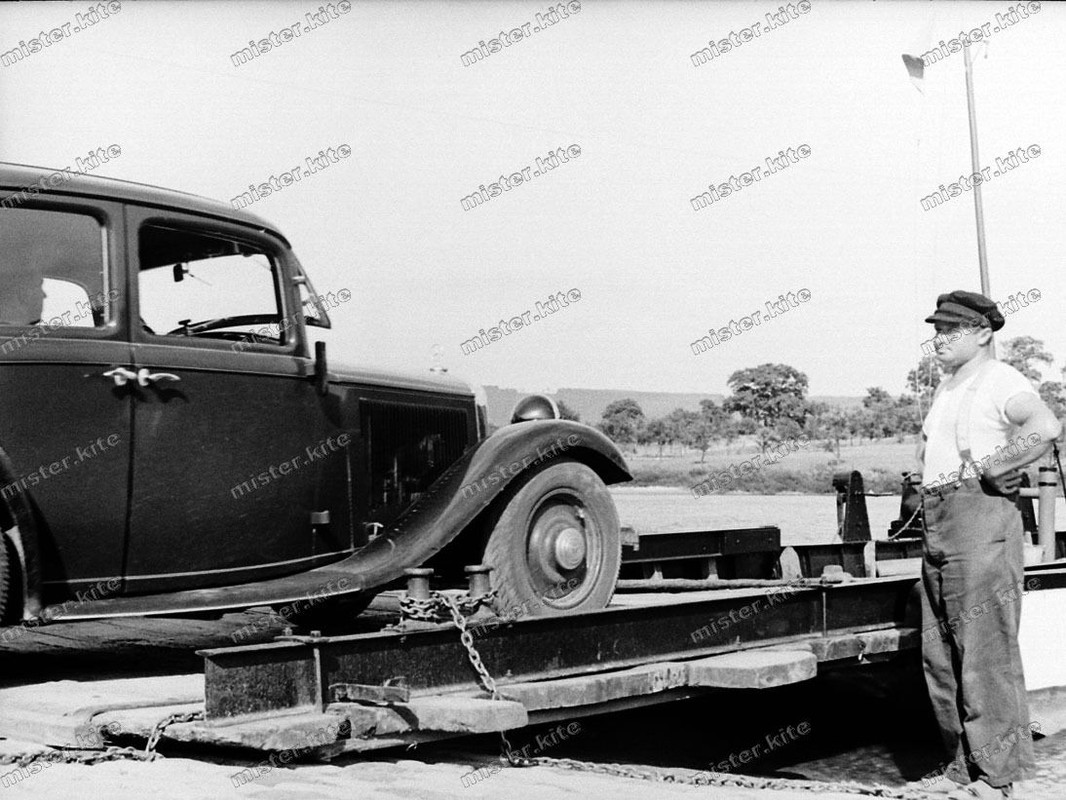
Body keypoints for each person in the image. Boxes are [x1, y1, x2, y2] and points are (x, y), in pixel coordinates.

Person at [914, 290, 1062, 800]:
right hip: (939, 519)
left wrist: (996, 466)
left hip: (979, 520)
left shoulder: (1001, 378)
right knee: (940, 654)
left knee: (984, 653)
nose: (938, 339)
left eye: (950, 330)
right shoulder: (950, 384)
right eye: (936, 330)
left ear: (982, 333)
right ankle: (961, 771)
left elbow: (1044, 425)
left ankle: (999, 780)